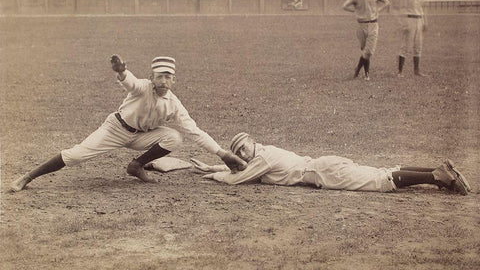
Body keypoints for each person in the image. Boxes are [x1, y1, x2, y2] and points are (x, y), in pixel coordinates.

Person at [10, 55, 246, 192]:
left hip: (141, 136)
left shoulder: (174, 104)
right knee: (77, 156)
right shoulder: (142, 86)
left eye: (168, 77)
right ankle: (29, 177)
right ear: (151, 77)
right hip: (115, 129)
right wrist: (122, 71)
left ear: (174, 80)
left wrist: (223, 154)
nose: (163, 80)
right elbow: (129, 81)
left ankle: (136, 166)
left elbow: (195, 132)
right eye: (159, 76)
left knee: (175, 137)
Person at [192, 132, 471, 195]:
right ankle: (437, 171)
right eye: (240, 151)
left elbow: (238, 178)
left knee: (379, 181)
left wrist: (216, 176)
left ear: (252, 142)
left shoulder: (262, 157)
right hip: (323, 166)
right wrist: (215, 166)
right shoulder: (263, 153)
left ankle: (438, 176)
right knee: (380, 173)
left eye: (244, 148)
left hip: (321, 172)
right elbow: (245, 170)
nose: (243, 153)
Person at [342, 0, 390, 81]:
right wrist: (355, 11)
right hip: (361, 25)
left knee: (368, 51)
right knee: (364, 50)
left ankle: (357, 71)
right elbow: (344, 6)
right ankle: (367, 74)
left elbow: (386, 2)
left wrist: (379, 10)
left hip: (373, 24)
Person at [397, 0, 427, 77]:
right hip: (409, 19)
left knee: (418, 45)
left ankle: (417, 70)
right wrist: (404, 24)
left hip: (419, 19)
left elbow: (422, 7)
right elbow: (401, 9)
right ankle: (400, 72)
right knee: (405, 46)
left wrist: (424, 21)